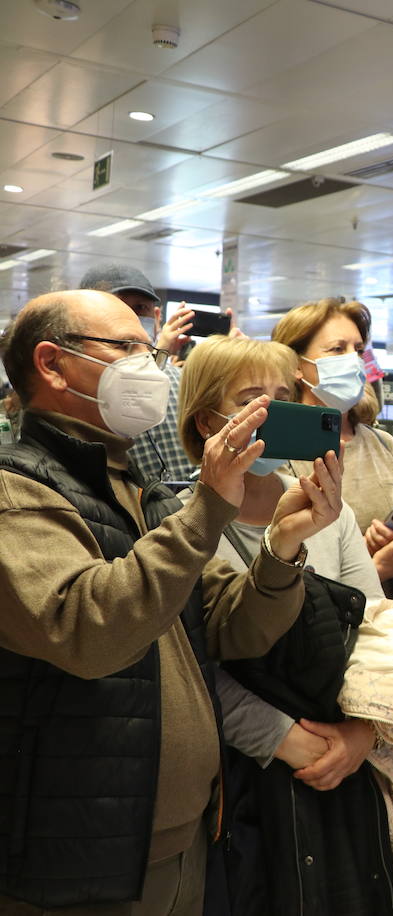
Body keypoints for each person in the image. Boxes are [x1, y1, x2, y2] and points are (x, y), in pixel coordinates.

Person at [0, 290, 338, 914]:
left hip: (183, 831)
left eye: (150, 350)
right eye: (126, 349)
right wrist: (210, 506)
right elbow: (87, 628)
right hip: (77, 844)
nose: (149, 368)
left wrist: (283, 546)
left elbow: (229, 627)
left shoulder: (136, 489)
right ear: (52, 363)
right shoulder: (18, 489)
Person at [176, 335, 393, 913]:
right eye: (253, 397)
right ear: (208, 420)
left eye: (283, 395)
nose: (274, 411)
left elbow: (378, 629)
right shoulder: (181, 522)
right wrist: (283, 739)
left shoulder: (330, 509)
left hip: (349, 758)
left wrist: (364, 734)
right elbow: (193, 667)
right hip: (238, 779)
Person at [271, 298, 393, 585]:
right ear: (296, 365)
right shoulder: (280, 451)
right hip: (334, 622)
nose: (353, 359)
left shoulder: (384, 444)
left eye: (359, 350)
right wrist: (374, 568)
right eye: (338, 349)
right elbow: (277, 568)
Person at [80, 263, 202, 483]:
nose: (129, 316)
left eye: (140, 308)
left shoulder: (186, 382)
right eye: (116, 306)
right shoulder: (80, 392)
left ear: (156, 317)